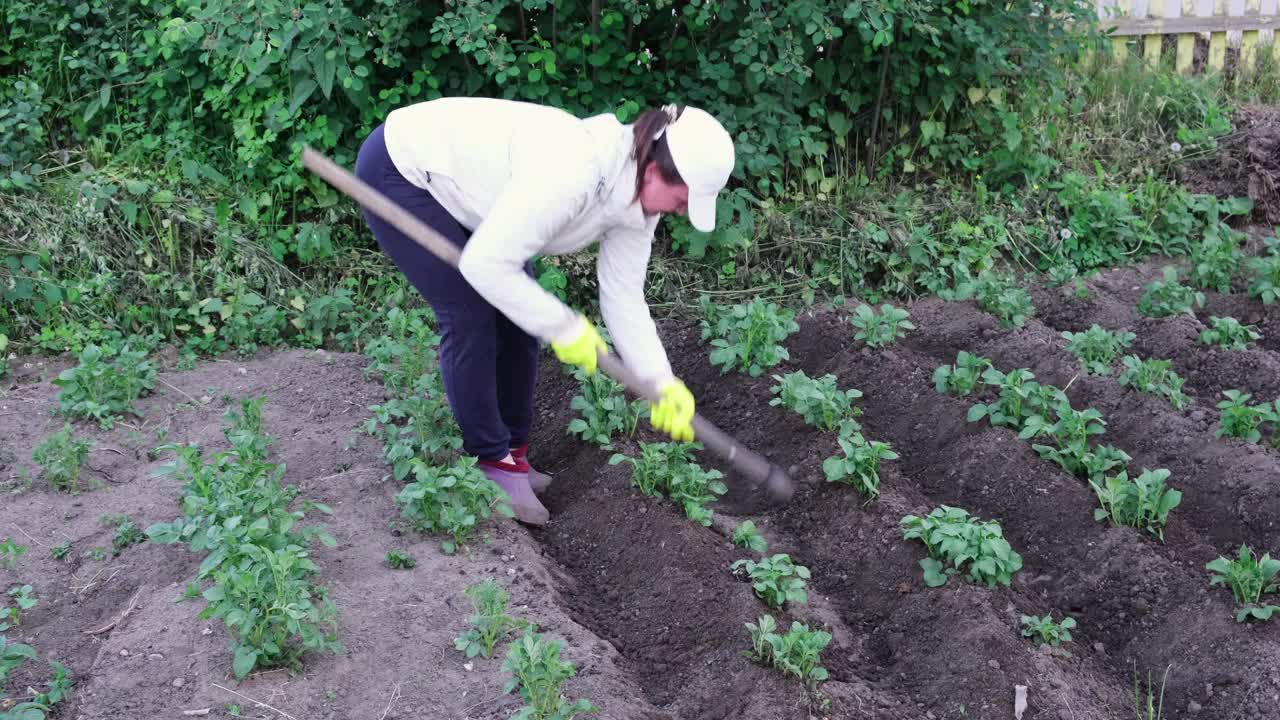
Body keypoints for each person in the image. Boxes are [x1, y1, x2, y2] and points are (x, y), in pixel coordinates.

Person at [353, 96, 736, 526]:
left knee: (520, 323)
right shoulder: (572, 171)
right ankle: (492, 461)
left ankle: (514, 452)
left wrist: (661, 382)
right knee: (470, 312)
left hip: (474, 195)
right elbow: (485, 264)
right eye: (683, 199)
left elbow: (624, 298)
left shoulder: (639, 205)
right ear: (654, 170)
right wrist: (563, 325)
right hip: (405, 170)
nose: (682, 211)